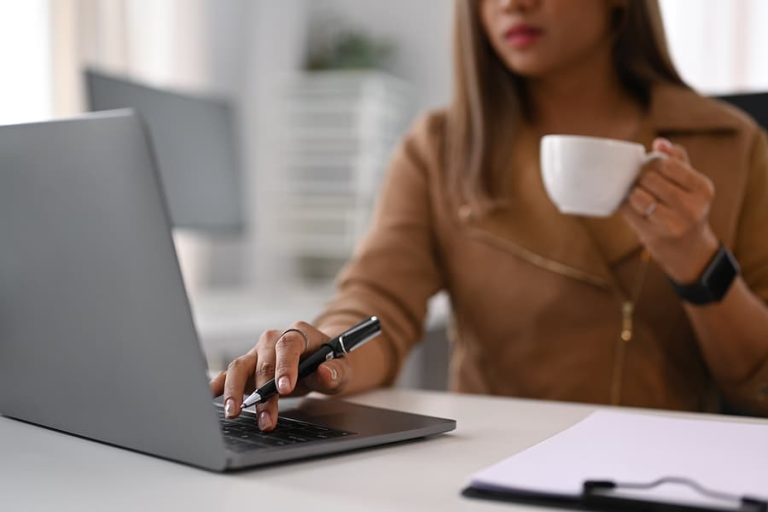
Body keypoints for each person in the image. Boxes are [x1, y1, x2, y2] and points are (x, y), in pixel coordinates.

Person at [211, 0, 768, 431]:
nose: (512, 3)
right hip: (495, 471)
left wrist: (700, 263)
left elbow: (759, 385)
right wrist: (323, 352)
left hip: (664, 475)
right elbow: (378, 301)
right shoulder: (439, 149)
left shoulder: (734, 147)